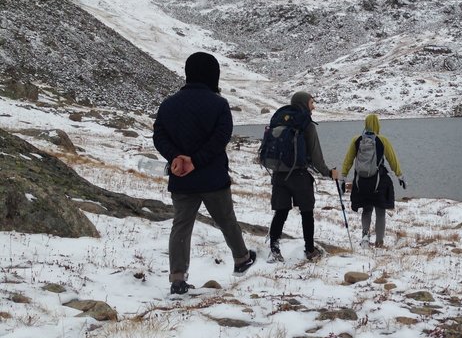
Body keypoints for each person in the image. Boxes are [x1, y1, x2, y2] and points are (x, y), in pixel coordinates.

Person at [153, 52, 256, 294]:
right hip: (213, 178)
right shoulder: (218, 104)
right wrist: (196, 161)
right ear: (213, 74)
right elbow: (221, 138)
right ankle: (241, 259)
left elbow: (159, 136)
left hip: (181, 178)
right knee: (226, 219)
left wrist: (176, 157)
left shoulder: (169, 104)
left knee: (181, 226)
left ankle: (177, 278)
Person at [267, 91, 339, 262]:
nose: (313, 106)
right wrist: (328, 172)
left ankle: (274, 248)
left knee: (281, 212)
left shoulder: (279, 119)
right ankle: (309, 250)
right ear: (304, 104)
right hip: (299, 175)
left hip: (279, 175)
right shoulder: (306, 124)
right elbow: (316, 156)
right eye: (311, 103)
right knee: (307, 213)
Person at [341, 113, 405, 248]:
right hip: (378, 181)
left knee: (367, 209)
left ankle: (365, 236)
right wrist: (399, 175)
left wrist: (343, 176)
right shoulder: (382, 140)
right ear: (377, 124)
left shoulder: (357, 140)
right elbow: (392, 159)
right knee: (380, 211)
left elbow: (348, 160)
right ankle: (379, 242)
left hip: (361, 181)